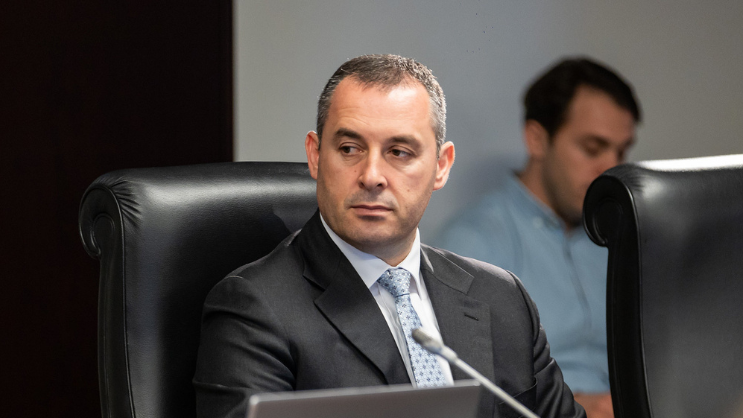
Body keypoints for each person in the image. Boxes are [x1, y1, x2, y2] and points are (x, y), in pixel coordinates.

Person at [194, 54, 585, 418]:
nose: (371, 176)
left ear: (441, 166)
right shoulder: (255, 309)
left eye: (399, 152)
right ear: (315, 155)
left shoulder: (502, 298)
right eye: (349, 148)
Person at [434, 57, 641, 418]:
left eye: (621, 151)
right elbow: (462, 388)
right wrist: (574, 405)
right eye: (593, 149)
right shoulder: (472, 244)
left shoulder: (624, 238)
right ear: (537, 139)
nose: (611, 168)